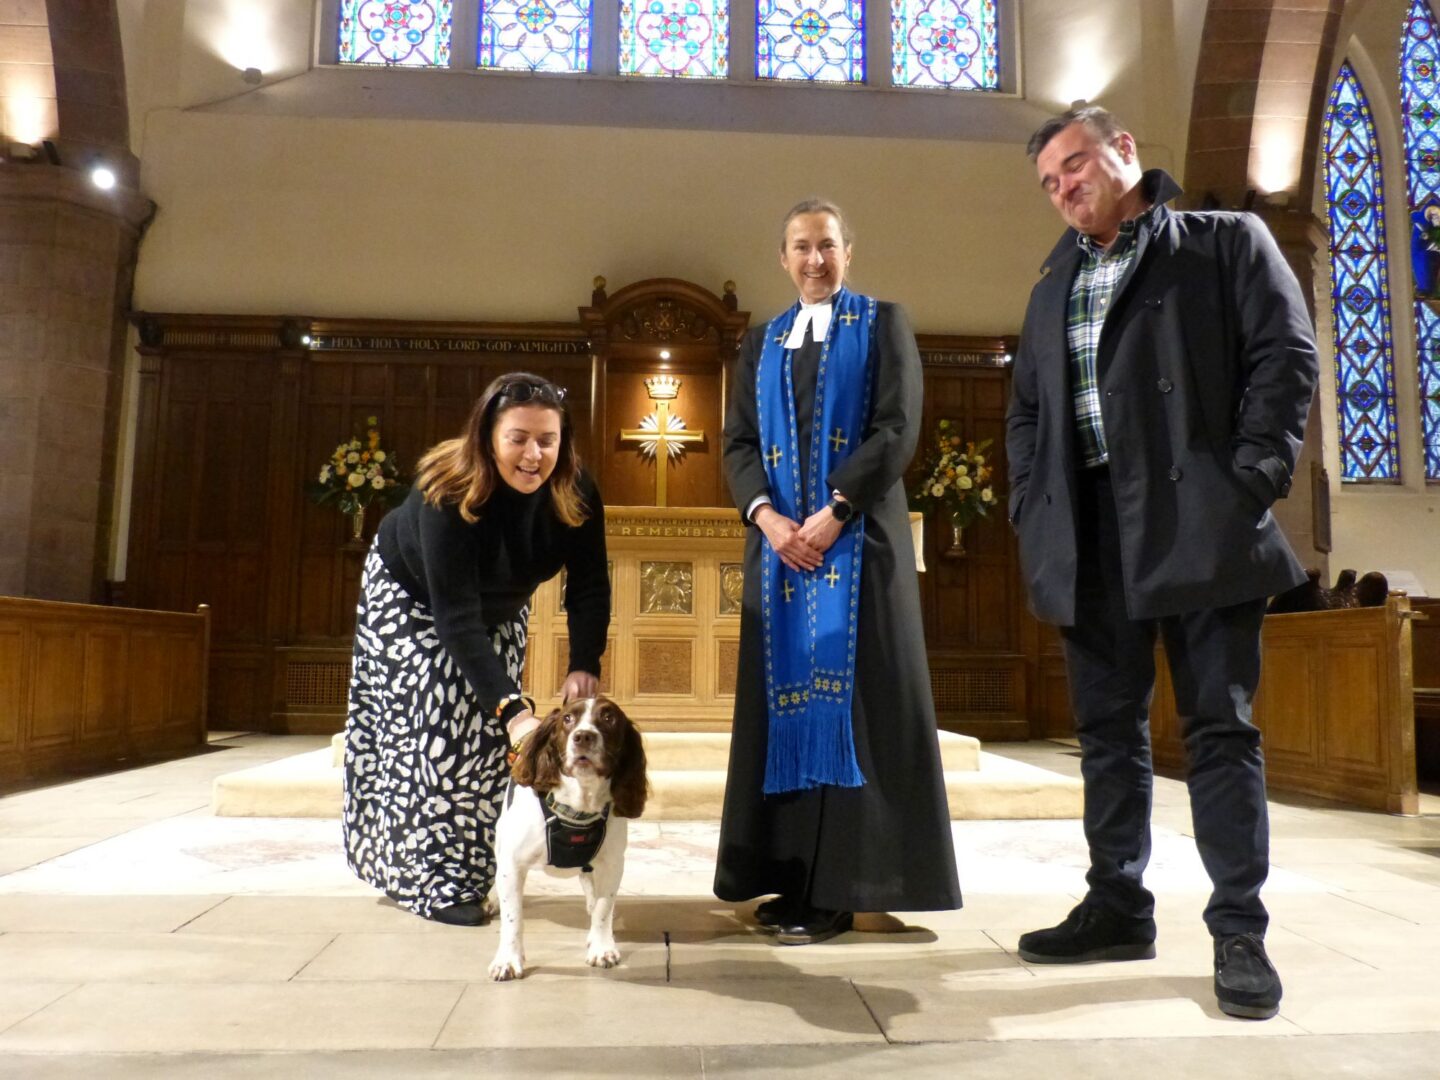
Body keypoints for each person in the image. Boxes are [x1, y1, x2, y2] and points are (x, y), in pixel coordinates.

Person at [1007, 107, 1318, 1019]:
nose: (1065, 190)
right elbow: (1026, 411)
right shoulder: (1051, 282)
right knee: (1107, 736)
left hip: (1199, 519)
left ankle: (1239, 931)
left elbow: (1285, 356)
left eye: (1074, 167)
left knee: (1218, 731)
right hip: (1091, 535)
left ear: (1125, 152)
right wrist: (1034, 506)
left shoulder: (1222, 243)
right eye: (1051, 184)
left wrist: (1251, 478)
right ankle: (1117, 907)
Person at [714, 198, 962, 944]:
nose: (814, 260)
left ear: (848, 251)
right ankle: (789, 877)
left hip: (859, 551)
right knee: (781, 714)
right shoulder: (759, 344)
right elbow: (736, 445)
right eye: (800, 247)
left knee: (858, 714)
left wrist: (835, 511)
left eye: (826, 245)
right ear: (781, 258)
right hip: (781, 555)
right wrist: (767, 516)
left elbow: (897, 428)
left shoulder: (885, 324)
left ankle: (842, 888)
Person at [342, 372, 610, 925]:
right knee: (434, 726)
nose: (534, 454)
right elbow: (455, 617)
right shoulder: (447, 491)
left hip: (500, 607)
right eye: (518, 438)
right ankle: (429, 882)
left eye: (548, 439)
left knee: (492, 746)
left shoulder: (576, 490)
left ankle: (476, 871)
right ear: (488, 435)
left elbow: (588, 584)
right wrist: (514, 710)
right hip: (413, 597)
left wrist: (584, 661)